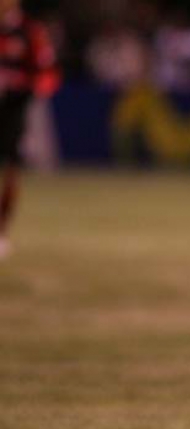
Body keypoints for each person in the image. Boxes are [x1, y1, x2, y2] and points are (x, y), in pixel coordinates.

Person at [0, 0, 59, 258]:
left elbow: (48, 74)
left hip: (14, 110)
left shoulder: (30, 32)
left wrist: (21, 83)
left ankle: (1, 231)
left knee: (12, 169)